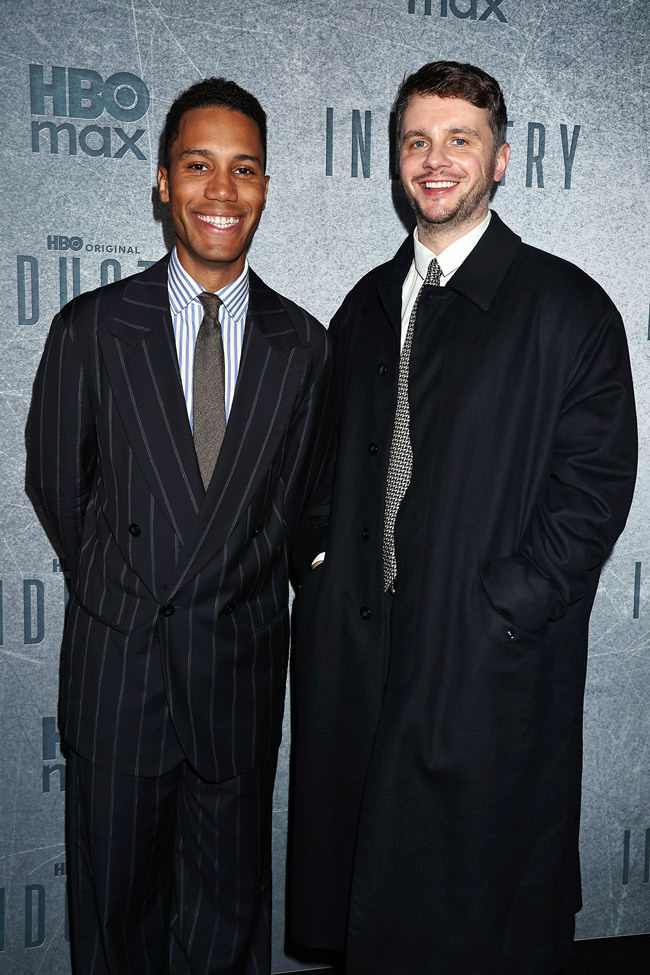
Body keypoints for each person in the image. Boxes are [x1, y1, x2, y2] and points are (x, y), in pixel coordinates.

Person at [287, 61, 637, 975]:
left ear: (502, 160)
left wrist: (504, 606)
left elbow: (594, 490)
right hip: (360, 656)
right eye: (416, 140)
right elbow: (318, 466)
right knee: (375, 912)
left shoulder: (567, 308)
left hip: (489, 662)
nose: (434, 159)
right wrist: (320, 566)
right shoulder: (365, 306)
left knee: (479, 918)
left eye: (459, 139)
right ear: (396, 159)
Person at [26, 77, 330, 974]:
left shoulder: (304, 346)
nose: (221, 190)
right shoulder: (91, 329)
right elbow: (59, 486)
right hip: (121, 675)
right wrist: (129, 590)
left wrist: (223, 593)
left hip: (235, 678)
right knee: (116, 925)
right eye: (199, 166)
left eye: (245, 168)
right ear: (163, 181)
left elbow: (291, 507)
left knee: (226, 929)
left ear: (266, 186)